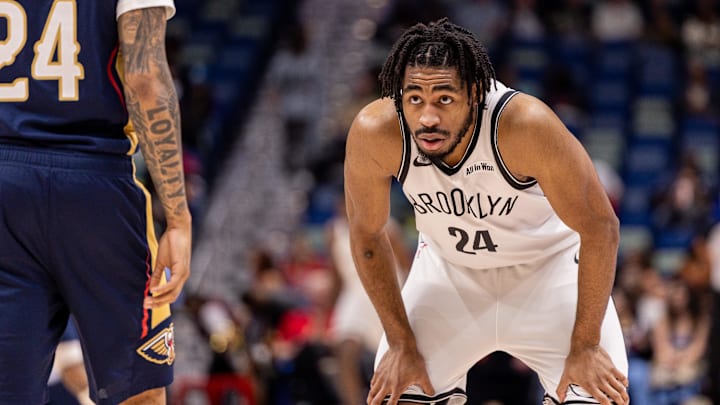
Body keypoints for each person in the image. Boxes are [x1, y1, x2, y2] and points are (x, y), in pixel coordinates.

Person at [343, 18, 629, 405]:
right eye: (414, 99)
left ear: (475, 93)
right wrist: (399, 342)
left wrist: (585, 345)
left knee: (599, 396)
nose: (427, 117)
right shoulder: (376, 132)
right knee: (398, 392)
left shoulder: (525, 125)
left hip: (549, 272)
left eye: (444, 99)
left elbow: (601, 227)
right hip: (449, 276)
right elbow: (367, 235)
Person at [0, 1, 191, 404]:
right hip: (95, 182)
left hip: (6, 181)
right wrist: (177, 218)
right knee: (138, 391)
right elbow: (146, 77)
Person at [326, 194, 411, 405]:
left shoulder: (386, 226)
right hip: (355, 295)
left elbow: (408, 267)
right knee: (345, 349)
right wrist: (321, 315)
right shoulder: (334, 232)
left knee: (393, 356)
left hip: (389, 291)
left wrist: (410, 300)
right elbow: (336, 278)